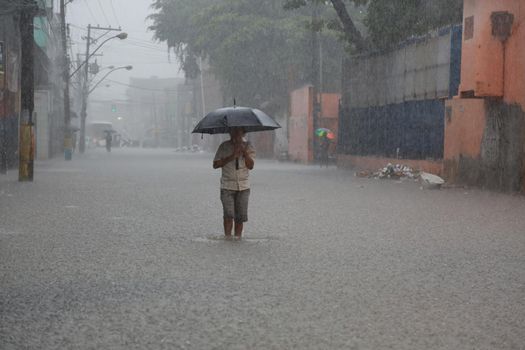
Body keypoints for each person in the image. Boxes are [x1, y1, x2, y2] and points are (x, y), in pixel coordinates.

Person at [213, 127, 256, 239]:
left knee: (240, 217)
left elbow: (251, 166)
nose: (236, 134)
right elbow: (215, 164)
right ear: (230, 132)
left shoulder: (249, 146)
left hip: (243, 187)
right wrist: (232, 156)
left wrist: (244, 153)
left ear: (243, 133)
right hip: (227, 186)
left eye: (239, 131)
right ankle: (227, 239)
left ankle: (237, 239)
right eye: (234, 131)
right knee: (228, 215)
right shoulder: (224, 146)